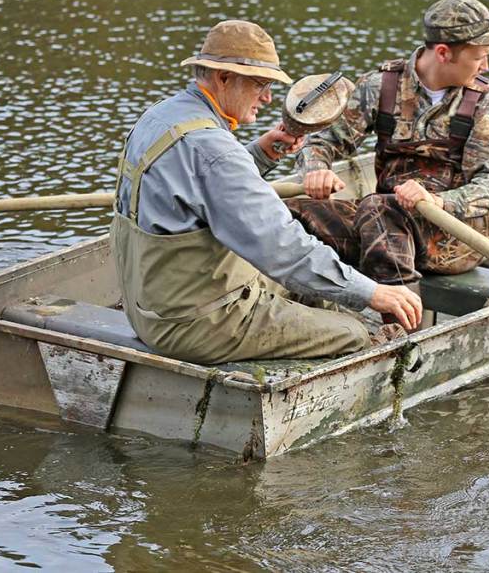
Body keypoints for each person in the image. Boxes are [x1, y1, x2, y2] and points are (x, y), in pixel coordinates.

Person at [110, 19, 421, 365]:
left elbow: (200, 187)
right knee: (353, 332)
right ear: (224, 78)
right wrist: (372, 292)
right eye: (260, 85)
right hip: (192, 324)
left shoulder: (161, 116)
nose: (269, 98)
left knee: (314, 291)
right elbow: (283, 248)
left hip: (146, 308)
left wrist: (261, 153)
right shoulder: (215, 151)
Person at [286, 0, 489, 317]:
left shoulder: (487, 105)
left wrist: (438, 202)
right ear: (444, 53)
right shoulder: (380, 86)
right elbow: (322, 143)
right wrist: (316, 168)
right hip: (384, 225)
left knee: (379, 208)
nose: (486, 67)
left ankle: (402, 339)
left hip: (457, 234)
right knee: (290, 214)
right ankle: (308, 317)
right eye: (479, 58)